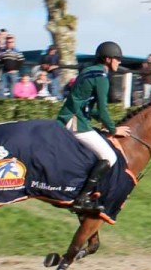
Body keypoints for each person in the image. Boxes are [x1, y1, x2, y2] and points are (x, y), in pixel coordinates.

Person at [56, 41, 131, 214]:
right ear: (107, 59)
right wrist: (113, 130)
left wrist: (102, 121)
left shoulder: (89, 71)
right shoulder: (102, 77)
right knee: (109, 156)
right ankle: (81, 199)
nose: (119, 62)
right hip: (75, 122)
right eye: (117, 58)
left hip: (72, 117)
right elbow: (104, 110)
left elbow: (89, 107)